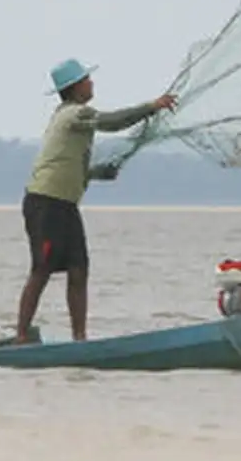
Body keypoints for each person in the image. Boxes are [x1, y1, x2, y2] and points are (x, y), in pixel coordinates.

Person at [16, 58, 177, 343]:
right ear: (75, 87)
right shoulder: (74, 115)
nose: (91, 83)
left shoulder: (74, 117)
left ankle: (80, 338)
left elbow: (69, 164)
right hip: (45, 203)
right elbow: (112, 122)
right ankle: (21, 335)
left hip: (65, 205)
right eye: (87, 80)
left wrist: (98, 173)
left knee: (79, 269)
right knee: (42, 268)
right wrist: (151, 106)